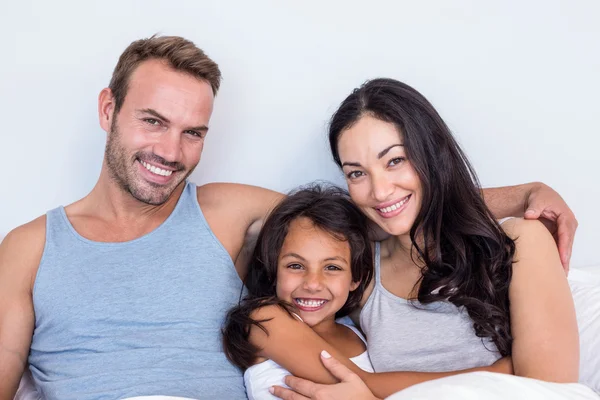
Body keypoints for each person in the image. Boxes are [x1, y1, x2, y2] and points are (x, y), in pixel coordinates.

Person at [0, 35, 578, 399]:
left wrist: (524, 194)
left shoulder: (226, 210)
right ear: (109, 109)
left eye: (193, 132)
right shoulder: (27, 248)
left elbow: (372, 212)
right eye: (152, 121)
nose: (171, 152)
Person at [271, 78, 584, 399]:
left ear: (431, 155)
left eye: (395, 160)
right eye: (357, 173)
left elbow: (550, 393)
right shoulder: (359, 269)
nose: (379, 191)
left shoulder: (521, 242)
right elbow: (295, 216)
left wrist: (527, 193)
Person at [222, 184, 376, 400]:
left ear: (356, 278)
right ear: (273, 269)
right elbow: (367, 384)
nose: (313, 284)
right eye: (295, 265)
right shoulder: (264, 320)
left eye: (332, 267)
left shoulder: (360, 335)